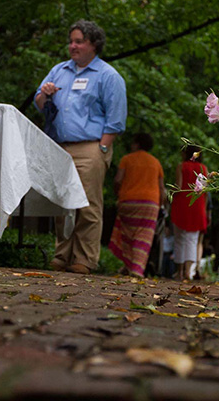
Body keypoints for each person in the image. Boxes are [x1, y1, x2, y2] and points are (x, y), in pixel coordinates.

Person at [34, 19, 127, 275]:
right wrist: (45, 94)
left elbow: (116, 119)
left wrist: (103, 150)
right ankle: (61, 255)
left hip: (91, 147)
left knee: (87, 204)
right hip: (60, 146)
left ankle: (85, 259)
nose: (72, 46)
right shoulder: (59, 70)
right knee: (63, 202)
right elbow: (39, 103)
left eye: (78, 41)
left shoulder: (108, 76)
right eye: (71, 41)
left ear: (93, 45)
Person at [108, 133, 165, 277]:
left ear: (137, 144)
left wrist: (118, 194)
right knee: (144, 235)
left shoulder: (126, 159)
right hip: (150, 204)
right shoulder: (156, 163)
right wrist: (161, 206)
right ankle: (136, 269)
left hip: (128, 201)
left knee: (126, 234)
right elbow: (162, 189)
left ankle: (128, 266)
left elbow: (118, 180)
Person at [170, 145, 209, 280]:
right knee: (192, 240)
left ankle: (179, 271)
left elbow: (179, 186)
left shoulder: (181, 166)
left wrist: (169, 193)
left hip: (181, 205)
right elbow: (204, 190)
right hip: (197, 206)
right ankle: (188, 272)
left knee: (179, 238)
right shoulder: (203, 168)